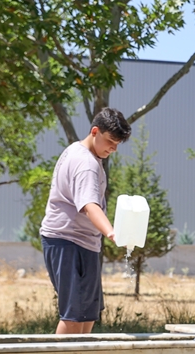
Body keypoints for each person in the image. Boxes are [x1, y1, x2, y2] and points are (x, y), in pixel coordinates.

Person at [38, 108, 131, 335]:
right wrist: (112, 233)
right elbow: (89, 206)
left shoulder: (83, 154)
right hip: (66, 241)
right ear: (95, 131)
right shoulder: (86, 163)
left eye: (118, 144)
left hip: (85, 243)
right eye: (110, 141)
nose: (113, 148)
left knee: (87, 315)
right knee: (73, 316)